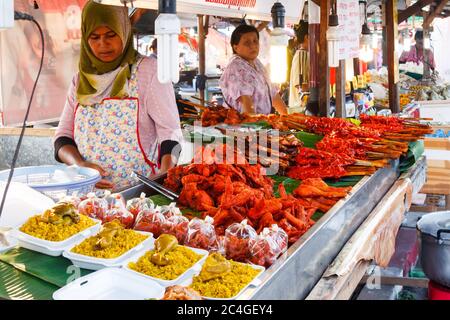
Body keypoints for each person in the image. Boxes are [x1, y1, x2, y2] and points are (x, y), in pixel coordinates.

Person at [54, 1, 182, 191]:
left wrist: (164, 177)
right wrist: (81, 166)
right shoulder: (80, 81)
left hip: (137, 194)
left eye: (110, 35)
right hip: (86, 194)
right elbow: (62, 138)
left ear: (124, 31)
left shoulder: (148, 72)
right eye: (94, 37)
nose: (103, 44)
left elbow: (171, 134)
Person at [219, 24, 288, 115]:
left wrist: (286, 117)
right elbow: (246, 101)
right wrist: (255, 123)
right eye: (247, 43)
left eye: (255, 41)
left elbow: (273, 93)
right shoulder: (236, 67)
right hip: (245, 125)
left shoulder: (257, 63)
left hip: (262, 123)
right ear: (235, 47)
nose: (253, 46)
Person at [288, 20, 309, 111]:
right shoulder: (301, 55)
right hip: (300, 108)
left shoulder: (305, 54)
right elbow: (300, 85)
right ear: (307, 37)